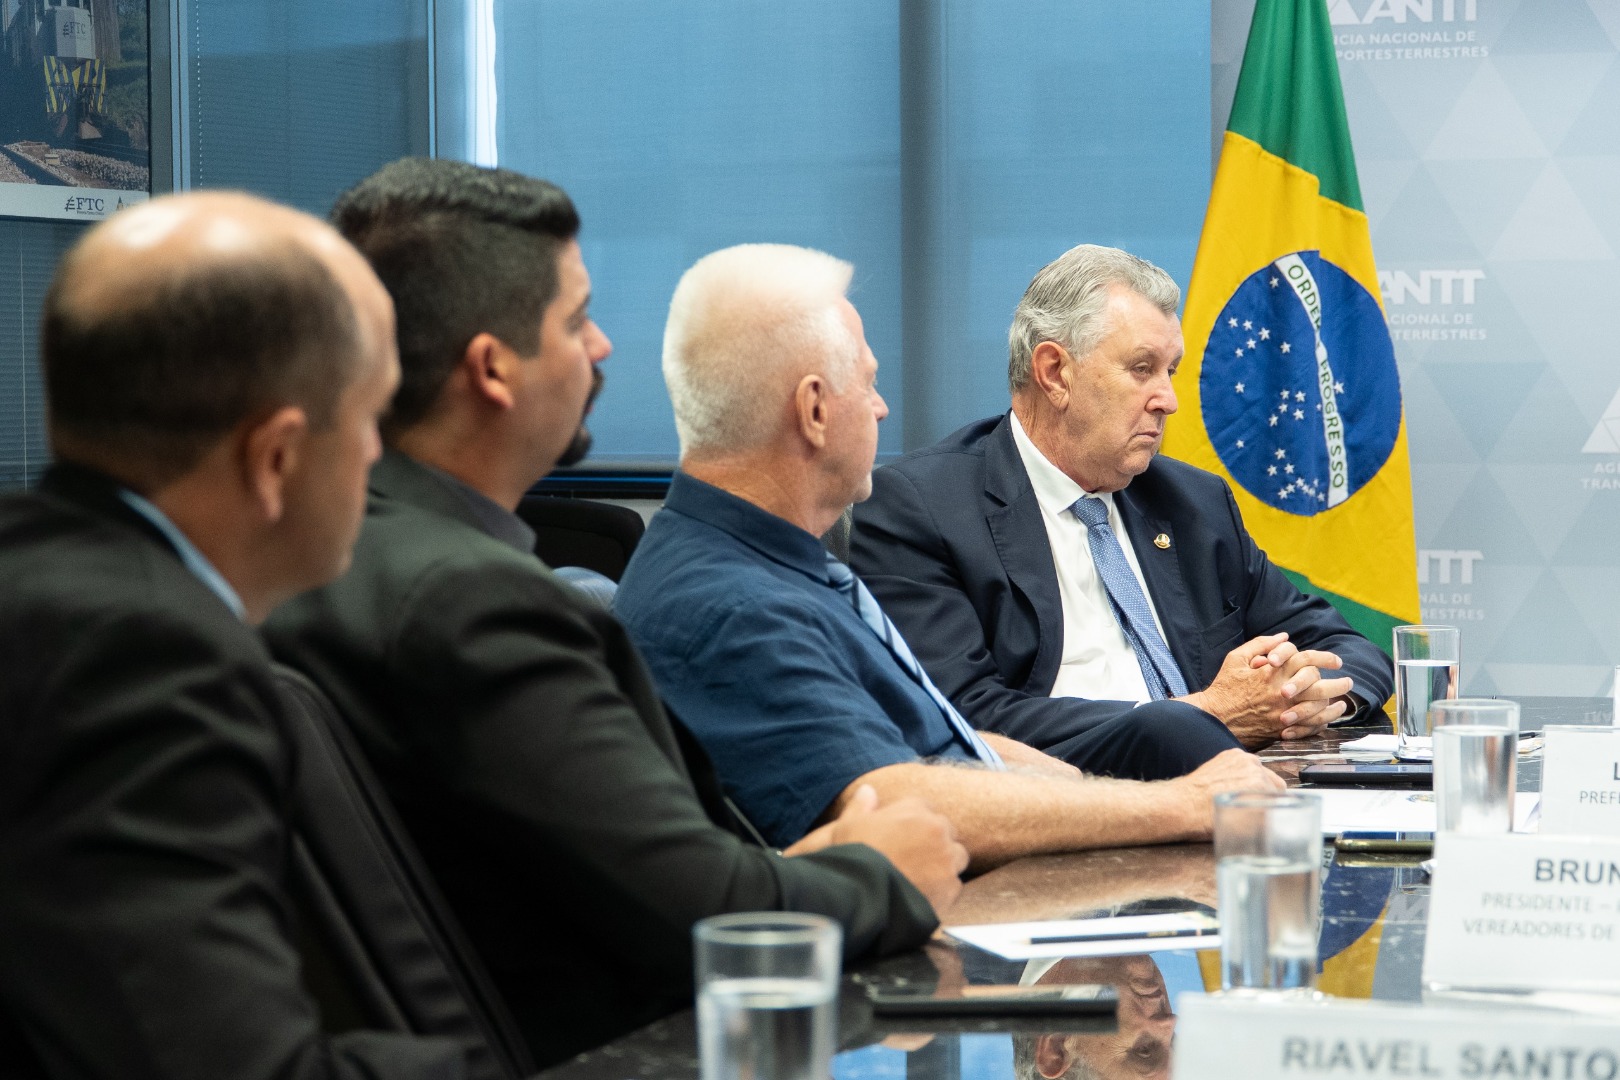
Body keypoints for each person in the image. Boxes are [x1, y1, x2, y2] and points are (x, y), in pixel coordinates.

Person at [262, 158, 966, 1069]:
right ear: (492, 369)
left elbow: (629, 879)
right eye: (576, 320)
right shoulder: (476, 605)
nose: (600, 348)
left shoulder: (326, 562)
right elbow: (705, 919)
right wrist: (882, 870)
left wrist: (807, 866)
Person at [613, 243, 1282, 871]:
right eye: (868, 384)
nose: (882, 410)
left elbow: (949, 739)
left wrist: (1083, 791)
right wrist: (1183, 804)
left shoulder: (776, 563)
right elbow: (895, 799)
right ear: (814, 409)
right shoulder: (733, 604)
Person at [0, 193, 467, 1077]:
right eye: (369, 420)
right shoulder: (145, 659)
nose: (377, 456)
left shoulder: (37, 577)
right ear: (276, 458)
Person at [850, 244, 1394, 772]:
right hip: (1070, 806)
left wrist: (1309, 698)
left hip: (1234, 791)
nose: (1168, 400)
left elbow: (1347, 647)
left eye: (1170, 371)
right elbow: (960, 718)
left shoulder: (1193, 503)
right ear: (1055, 373)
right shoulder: (921, 509)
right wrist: (1202, 716)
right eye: (1141, 368)